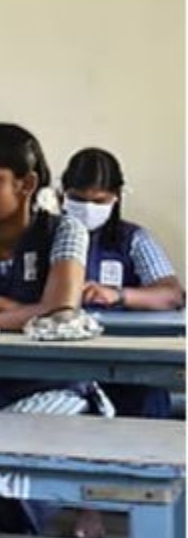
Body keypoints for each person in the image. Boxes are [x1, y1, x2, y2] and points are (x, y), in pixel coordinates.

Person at [0, 122, 108, 538]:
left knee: (15, 445)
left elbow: (58, 309)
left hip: (53, 385)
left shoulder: (64, 230)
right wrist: (6, 306)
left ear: (26, 183)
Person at [59, 147, 184, 418]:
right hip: (62, 361)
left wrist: (119, 295)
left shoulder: (133, 239)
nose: (88, 209)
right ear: (63, 194)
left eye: (99, 201)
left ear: (116, 197)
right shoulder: (45, 237)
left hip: (126, 362)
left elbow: (172, 295)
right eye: (78, 199)